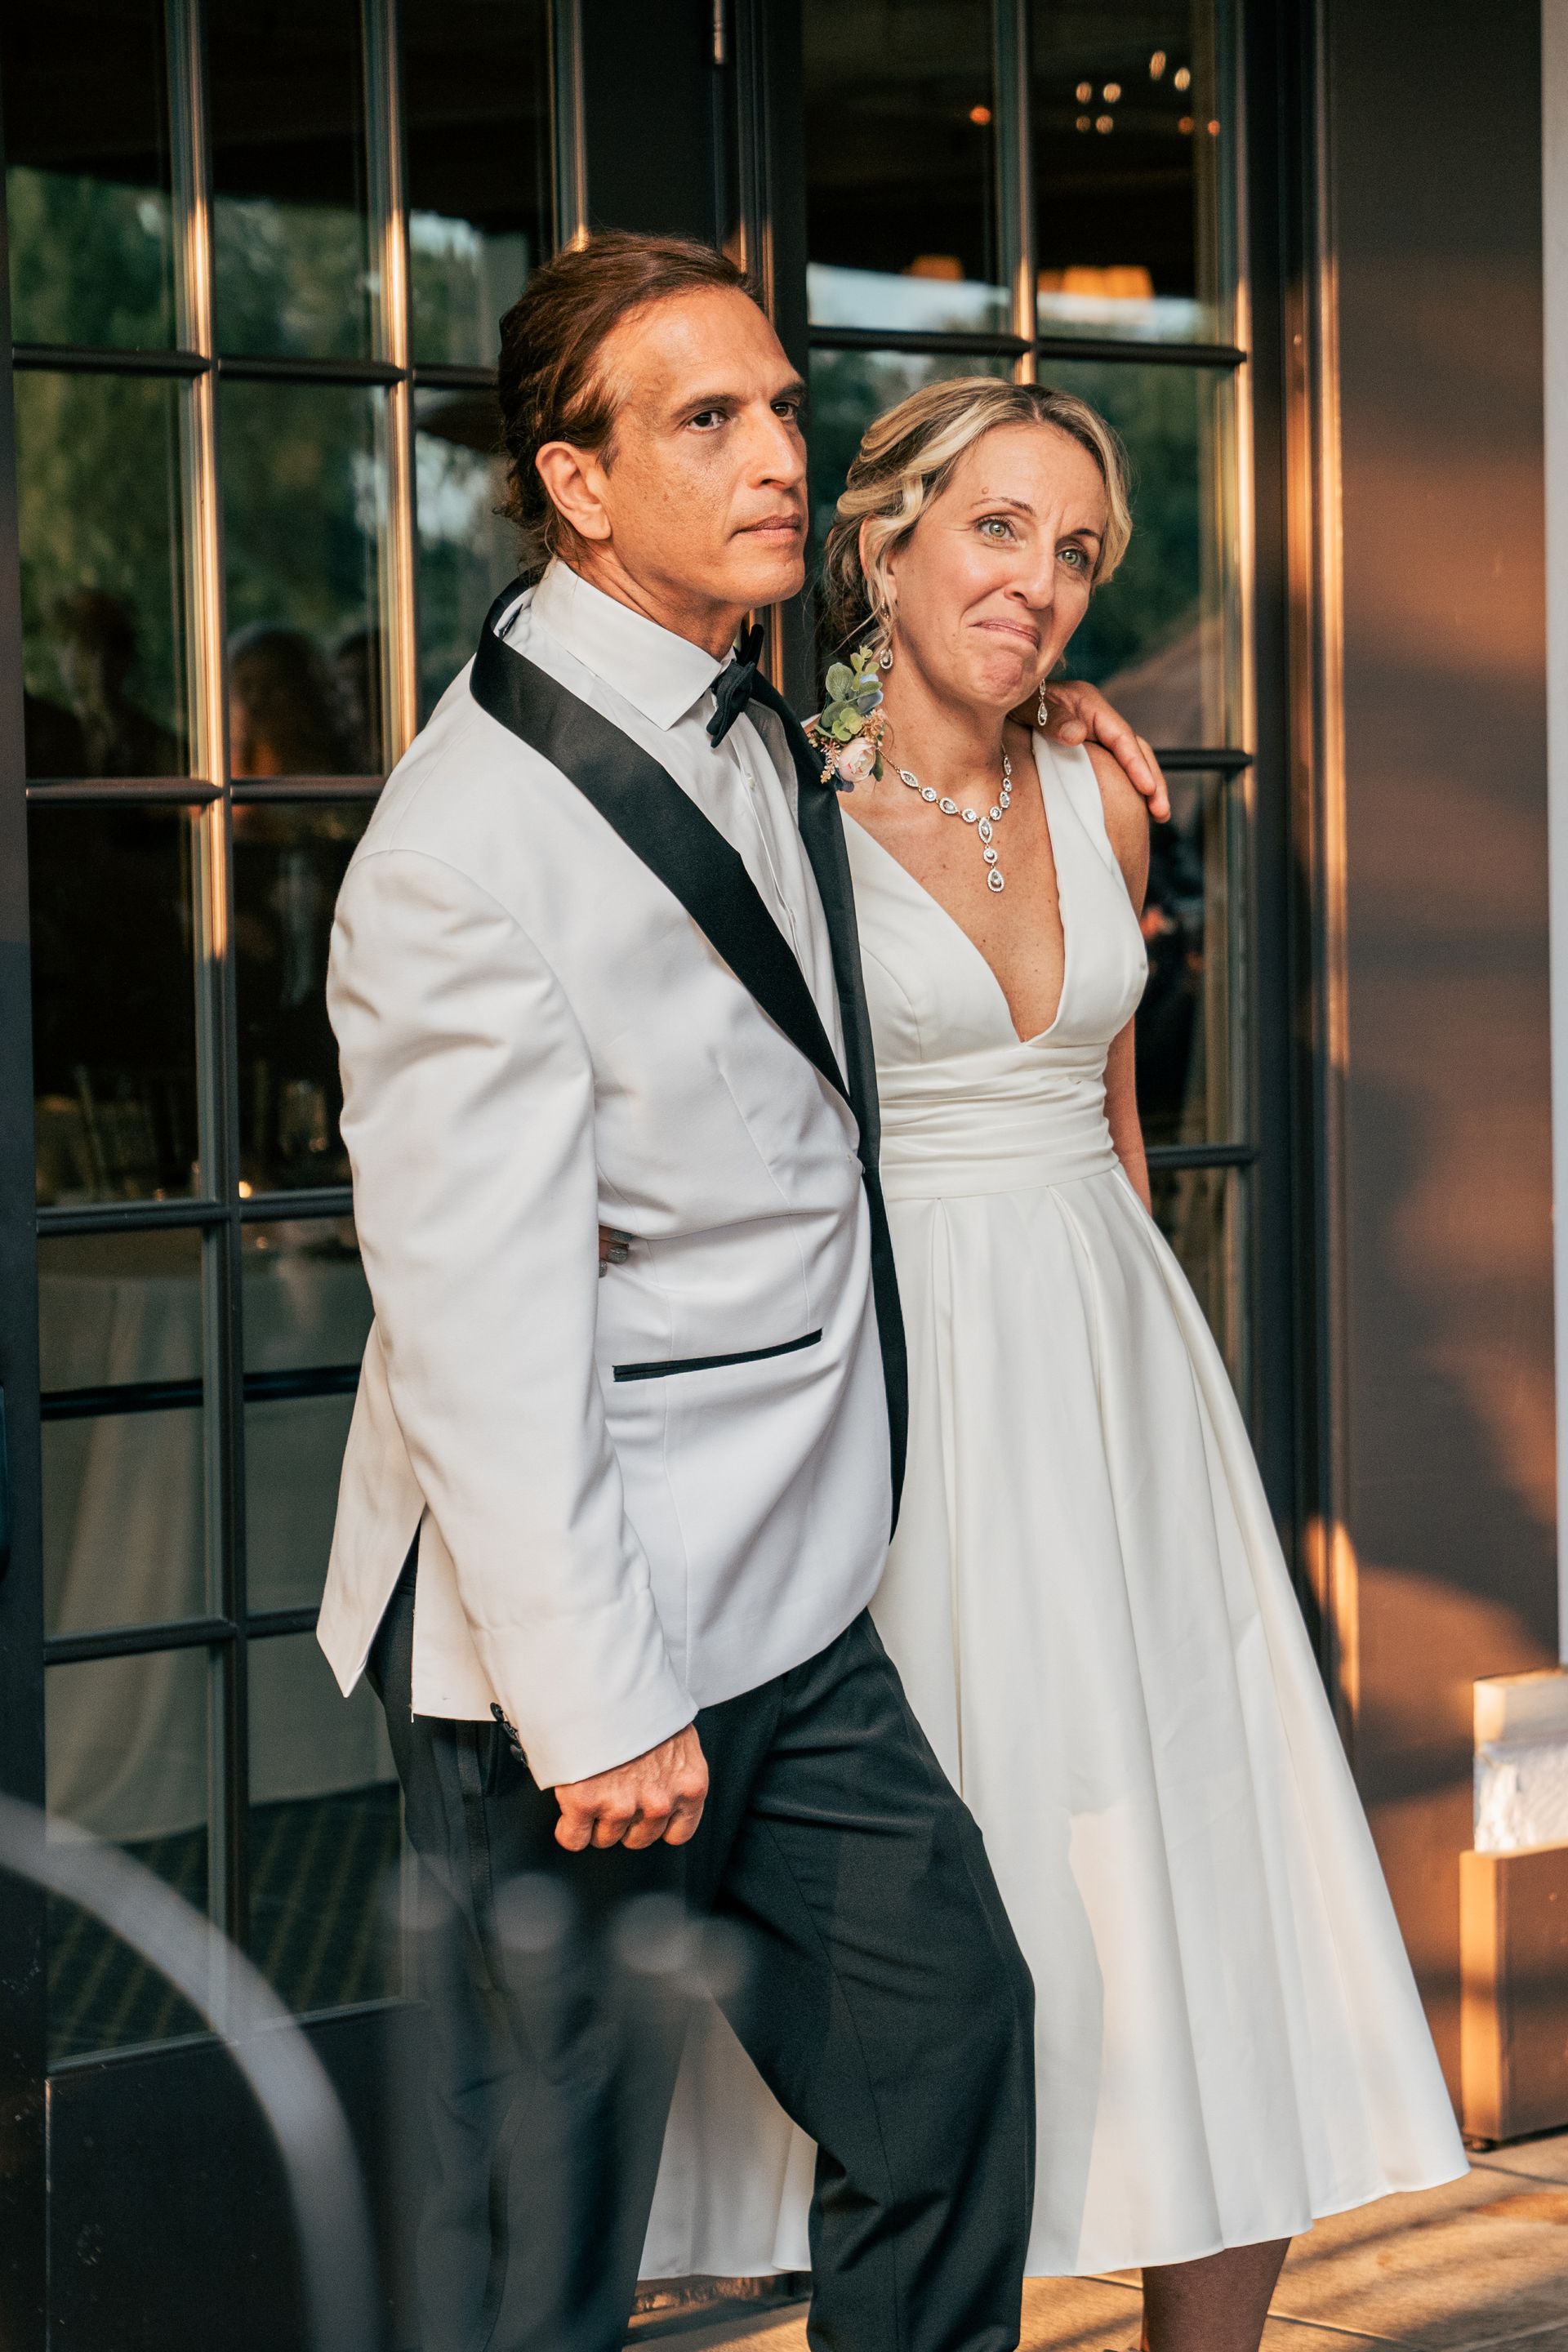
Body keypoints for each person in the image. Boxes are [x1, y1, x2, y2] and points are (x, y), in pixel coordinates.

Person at [315, 237, 1165, 2352]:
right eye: (711, 420)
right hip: (573, 1665)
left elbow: (890, 835)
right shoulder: (462, 849)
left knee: (950, 2060)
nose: (781, 453)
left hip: (793, 1604)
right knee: (543, 2255)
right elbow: (476, 1325)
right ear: (579, 483)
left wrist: (1042, 721)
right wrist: (599, 1701)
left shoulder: (757, 716)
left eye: (785, 407)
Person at [639, 376, 1468, 2348]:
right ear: (886, 543)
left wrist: (1160, 1394)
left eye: (1076, 548)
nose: (1038, 583)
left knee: (1210, 1874)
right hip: (908, 1392)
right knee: (976, 1902)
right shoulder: (786, 814)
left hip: (1119, 1378)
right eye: (995, 529)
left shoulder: (1100, 789)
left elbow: (1112, 1132)